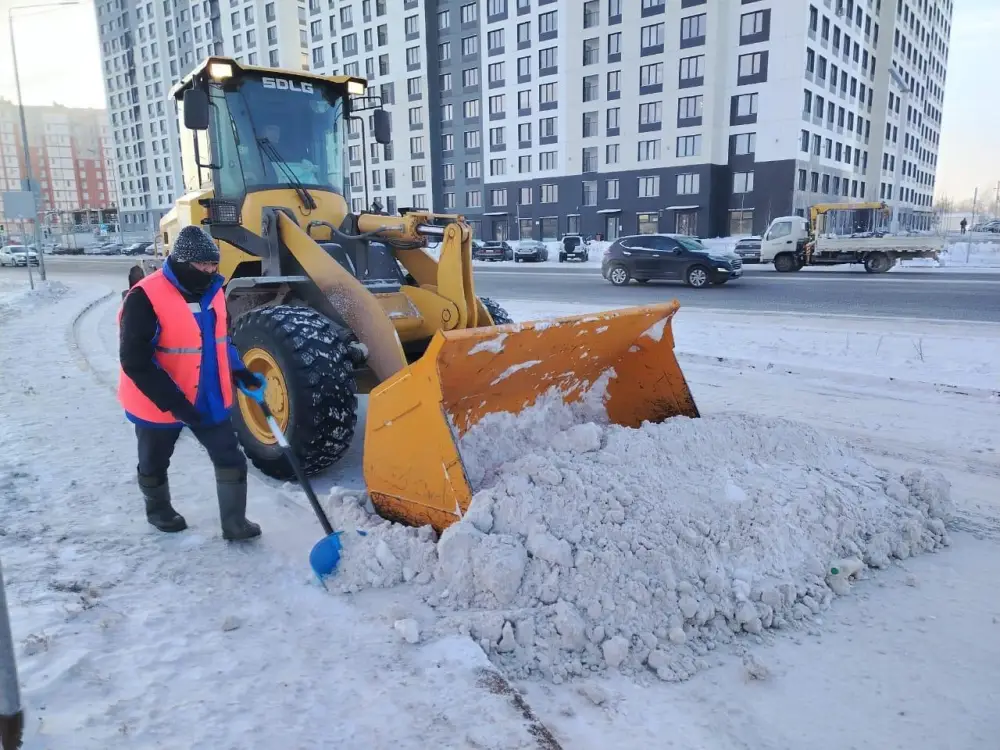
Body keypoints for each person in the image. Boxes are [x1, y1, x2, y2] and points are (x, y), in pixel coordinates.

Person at [118, 225, 265, 540]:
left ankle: (235, 524)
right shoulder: (145, 296)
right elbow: (135, 361)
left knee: (230, 457)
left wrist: (240, 371)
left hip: (208, 396)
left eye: (214, 265)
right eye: (203, 265)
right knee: (154, 460)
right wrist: (175, 403)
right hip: (160, 400)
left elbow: (220, 341)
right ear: (183, 262)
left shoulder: (213, 291)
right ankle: (159, 511)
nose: (210, 271)